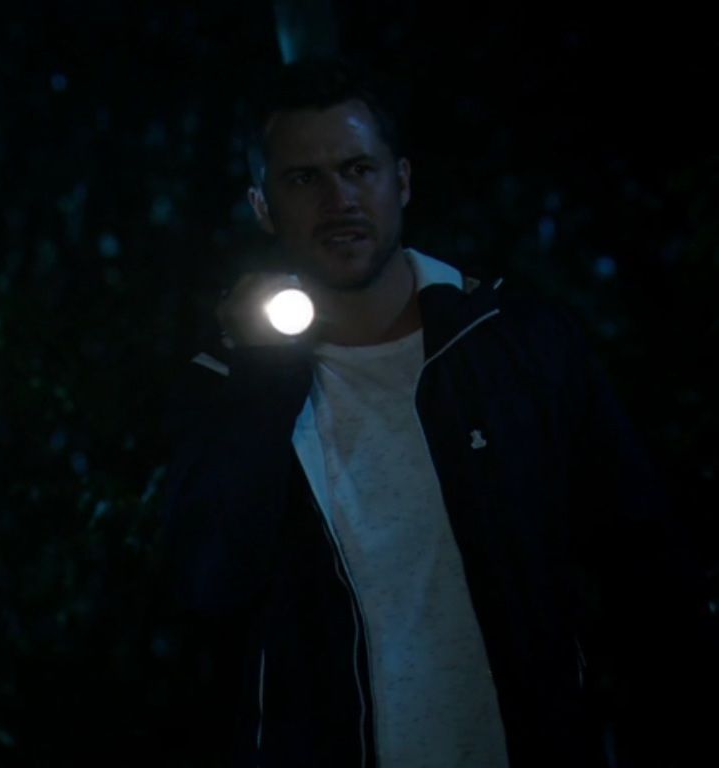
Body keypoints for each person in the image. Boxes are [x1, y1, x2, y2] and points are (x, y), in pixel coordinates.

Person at [159, 59, 709, 767]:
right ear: (263, 205)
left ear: (402, 181)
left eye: (359, 169)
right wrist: (263, 377)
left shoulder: (517, 345)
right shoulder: (226, 385)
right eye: (304, 179)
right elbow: (207, 584)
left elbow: (645, 569)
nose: (339, 199)